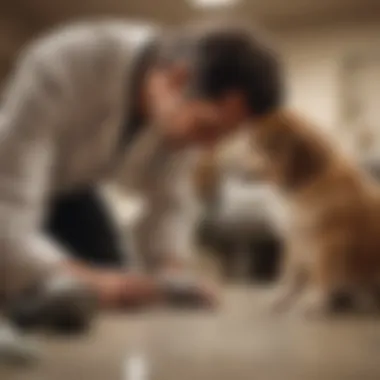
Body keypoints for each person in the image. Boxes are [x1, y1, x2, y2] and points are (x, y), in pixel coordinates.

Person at [0, 19, 283, 310]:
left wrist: (171, 277)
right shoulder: (63, 64)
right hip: (8, 179)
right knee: (48, 289)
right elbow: (7, 229)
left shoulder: (180, 112)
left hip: (71, 189)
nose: (209, 146)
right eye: (207, 128)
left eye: (223, 135)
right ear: (176, 79)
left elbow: (172, 205)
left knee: (115, 276)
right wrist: (94, 283)